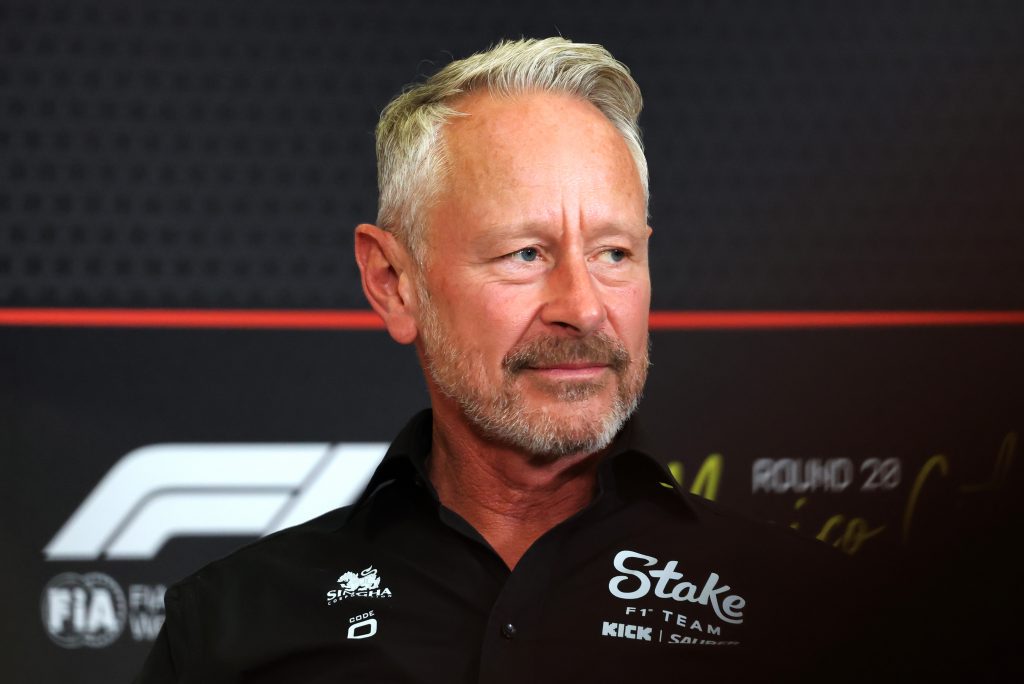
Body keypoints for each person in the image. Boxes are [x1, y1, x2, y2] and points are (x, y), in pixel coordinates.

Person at [136, 37, 859, 683]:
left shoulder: (811, 614)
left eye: (613, 253)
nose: (583, 307)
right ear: (393, 283)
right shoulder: (232, 624)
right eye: (525, 254)